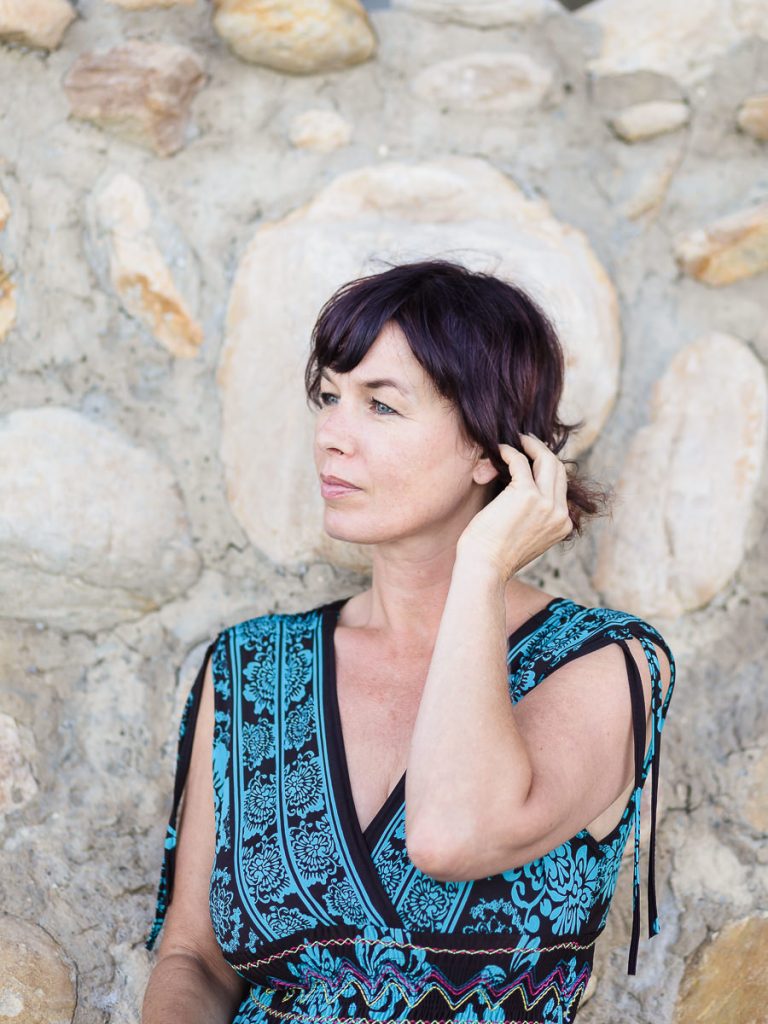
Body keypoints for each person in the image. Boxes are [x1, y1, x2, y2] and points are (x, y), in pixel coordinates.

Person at [141, 259, 675, 1024]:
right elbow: (193, 957)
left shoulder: (607, 664)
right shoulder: (252, 668)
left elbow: (450, 835)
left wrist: (483, 567)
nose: (331, 434)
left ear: (493, 450)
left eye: (381, 407)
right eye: (328, 397)